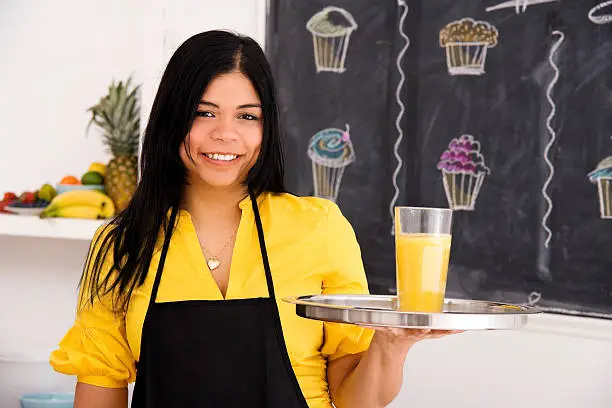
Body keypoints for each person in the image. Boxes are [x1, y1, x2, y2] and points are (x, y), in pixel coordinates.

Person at [49, 30, 459, 408]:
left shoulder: (318, 227)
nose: (226, 134)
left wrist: (391, 345)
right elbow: (100, 390)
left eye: (248, 116)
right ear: (171, 120)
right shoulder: (122, 244)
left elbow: (354, 398)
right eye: (204, 113)